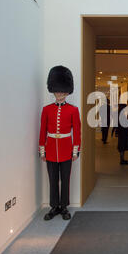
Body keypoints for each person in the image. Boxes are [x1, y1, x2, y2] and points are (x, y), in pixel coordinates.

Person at [39, 66, 81, 221]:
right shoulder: (47, 109)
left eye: (63, 92)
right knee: (52, 179)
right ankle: (54, 206)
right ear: (53, 91)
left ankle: (64, 206)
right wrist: (42, 150)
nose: (60, 94)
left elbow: (77, 132)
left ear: (67, 92)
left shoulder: (73, 110)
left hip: (66, 149)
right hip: (50, 149)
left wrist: (75, 150)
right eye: (58, 92)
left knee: (65, 179)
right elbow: (42, 130)